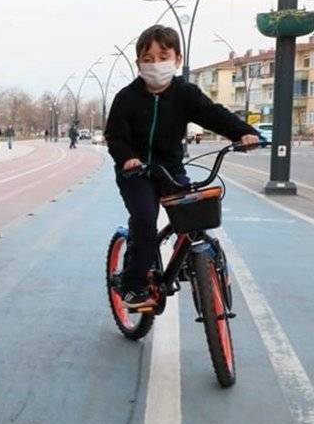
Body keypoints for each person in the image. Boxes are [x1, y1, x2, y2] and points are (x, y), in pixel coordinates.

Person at [104, 25, 260, 310]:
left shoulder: (185, 93)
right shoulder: (126, 98)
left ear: (177, 59)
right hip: (136, 173)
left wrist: (244, 133)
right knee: (144, 220)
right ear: (138, 62)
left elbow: (214, 115)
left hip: (171, 169)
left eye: (163, 56)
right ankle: (133, 285)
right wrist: (127, 158)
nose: (155, 64)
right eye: (147, 58)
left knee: (193, 217)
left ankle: (196, 263)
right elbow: (114, 136)